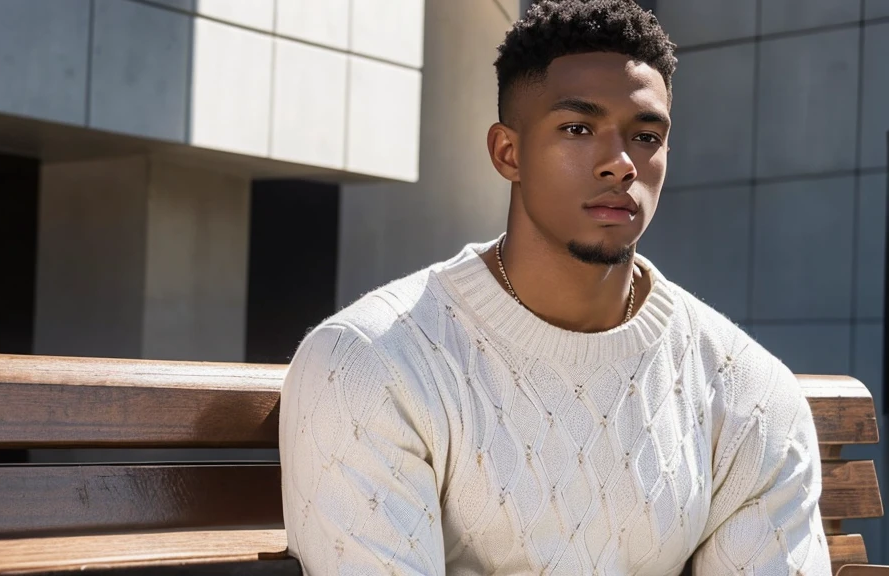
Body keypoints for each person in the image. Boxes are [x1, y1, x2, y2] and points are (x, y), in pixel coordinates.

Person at [279, 0, 832, 573]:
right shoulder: (375, 362)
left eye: (645, 135)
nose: (620, 163)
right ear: (508, 152)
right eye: (577, 128)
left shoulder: (749, 394)